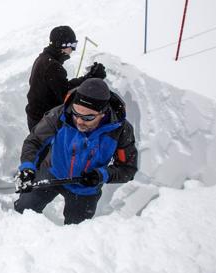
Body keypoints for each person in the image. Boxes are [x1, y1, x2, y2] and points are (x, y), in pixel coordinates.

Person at [15, 78, 138, 224]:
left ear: (103, 113)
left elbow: (127, 169)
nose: (79, 121)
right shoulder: (61, 114)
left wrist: (101, 175)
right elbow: (34, 141)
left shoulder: (120, 131)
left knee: (75, 237)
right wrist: (28, 167)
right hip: (52, 173)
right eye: (76, 113)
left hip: (86, 189)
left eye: (88, 117)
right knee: (22, 212)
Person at [25, 25, 106, 131]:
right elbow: (66, 94)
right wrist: (90, 79)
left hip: (37, 119)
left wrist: (87, 78)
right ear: (61, 45)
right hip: (44, 122)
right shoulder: (52, 66)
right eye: (72, 44)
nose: (73, 49)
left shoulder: (43, 59)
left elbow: (62, 86)